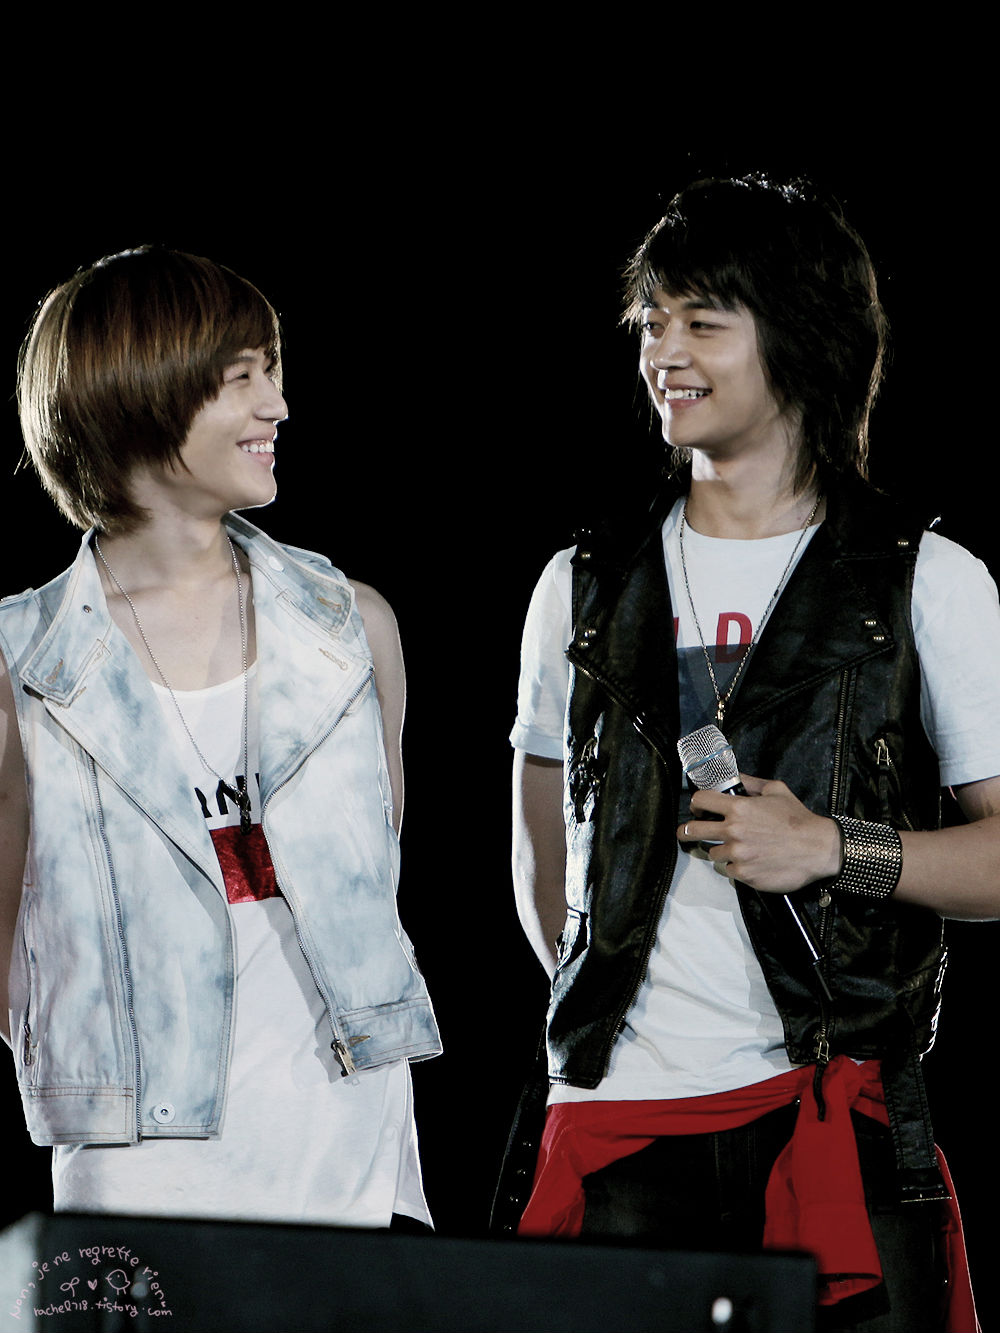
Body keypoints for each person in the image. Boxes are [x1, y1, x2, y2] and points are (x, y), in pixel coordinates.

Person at [497, 178, 999, 1331]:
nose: (662, 351)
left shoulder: (926, 582)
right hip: (617, 1122)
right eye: (651, 321)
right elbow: (539, 833)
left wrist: (834, 847)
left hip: (830, 1114)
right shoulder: (580, 584)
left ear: (799, 335)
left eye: (701, 321)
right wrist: (603, 990)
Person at [0, 246, 441, 1229]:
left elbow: (374, 882)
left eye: (271, 373)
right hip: (139, 1199)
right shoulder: (22, 666)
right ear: (140, 390)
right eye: (241, 377)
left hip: (358, 1182)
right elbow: (13, 966)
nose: (277, 405)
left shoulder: (351, 627)